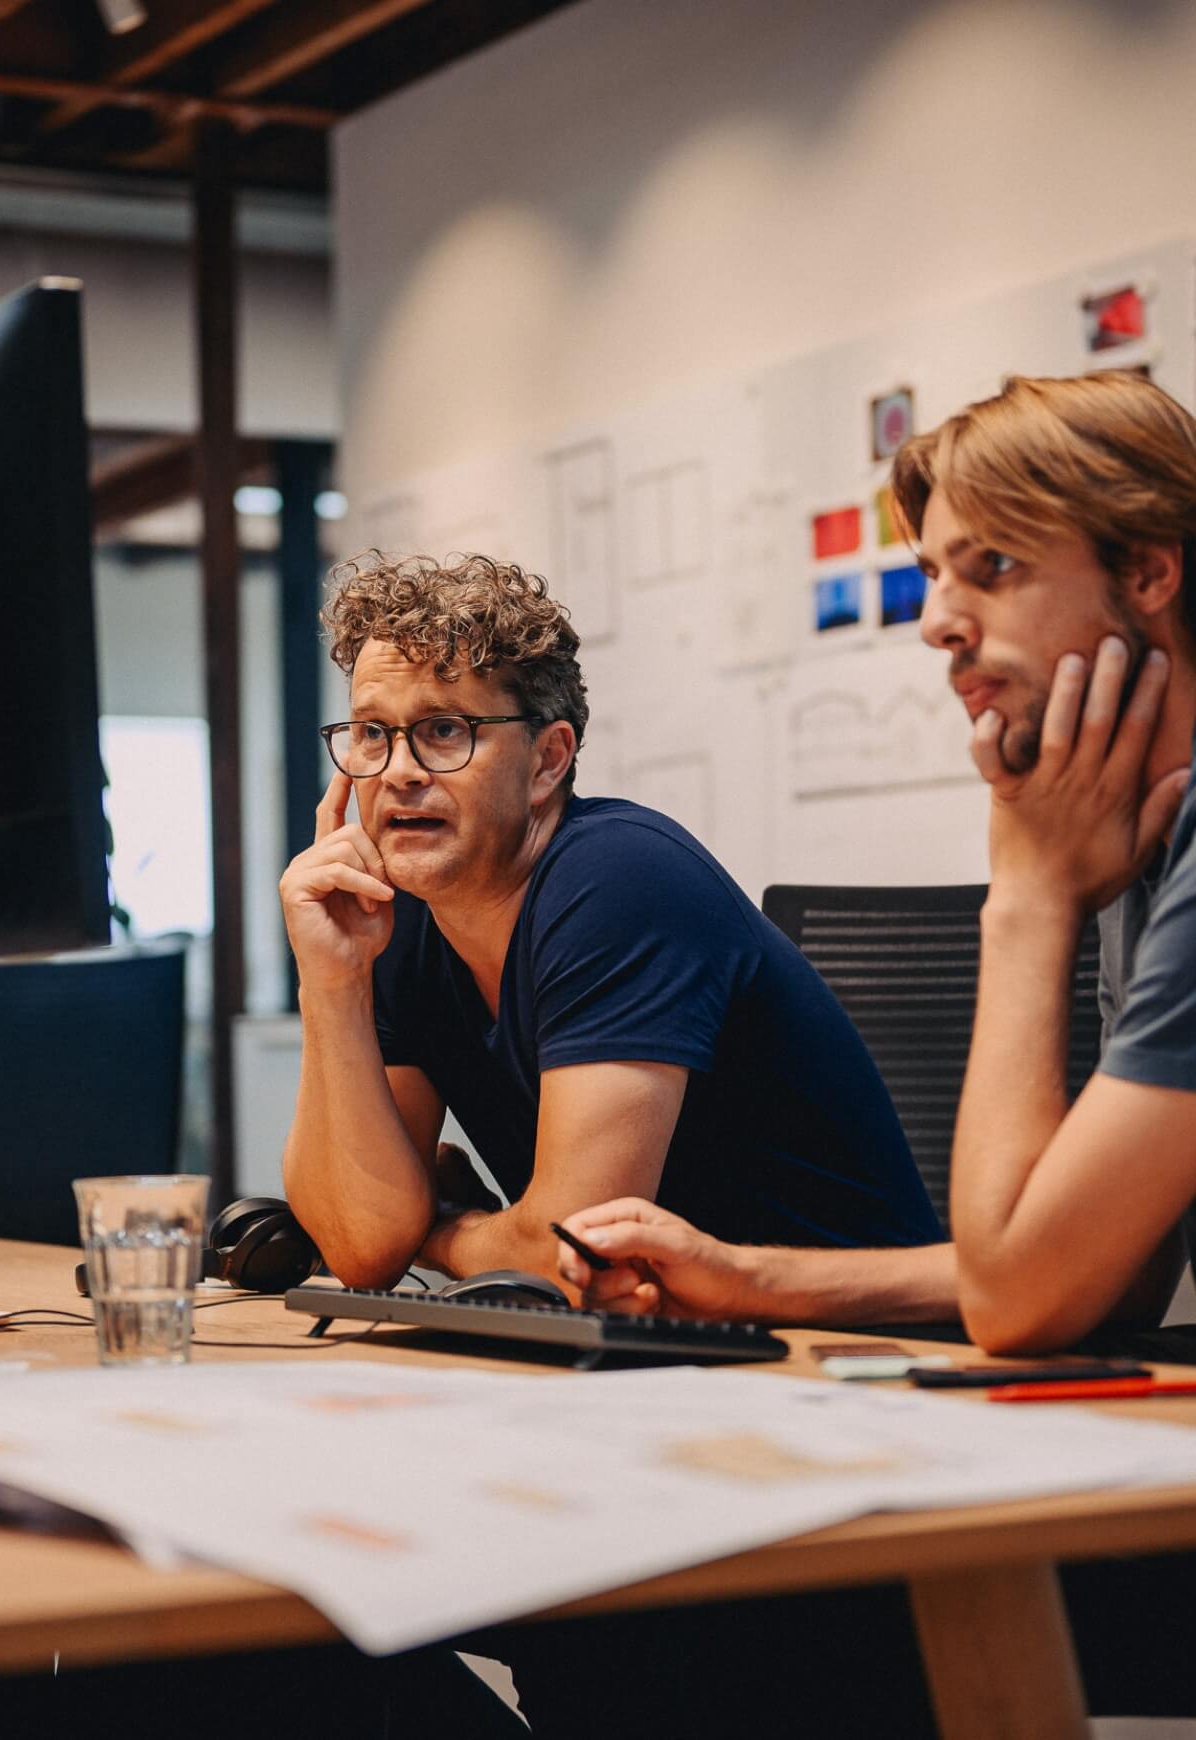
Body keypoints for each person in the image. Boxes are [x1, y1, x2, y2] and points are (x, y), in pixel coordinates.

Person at [557, 371, 1196, 1363]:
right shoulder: (1134, 842)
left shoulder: (1079, 859)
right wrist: (745, 1280)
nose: (937, 622)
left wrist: (1028, 897)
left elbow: (1023, 1297)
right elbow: (1104, 1262)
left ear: (1149, 573)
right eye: (933, 574)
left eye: (993, 566)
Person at [279, 550, 946, 1304]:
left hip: (855, 1340)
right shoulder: (394, 913)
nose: (399, 770)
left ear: (547, 761)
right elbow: (361, 1248)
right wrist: (330, 982)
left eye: (443, 730)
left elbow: (568, 1256)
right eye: (372, 732)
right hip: (665, 1345)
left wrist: (438, 1229)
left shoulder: (620, 879)